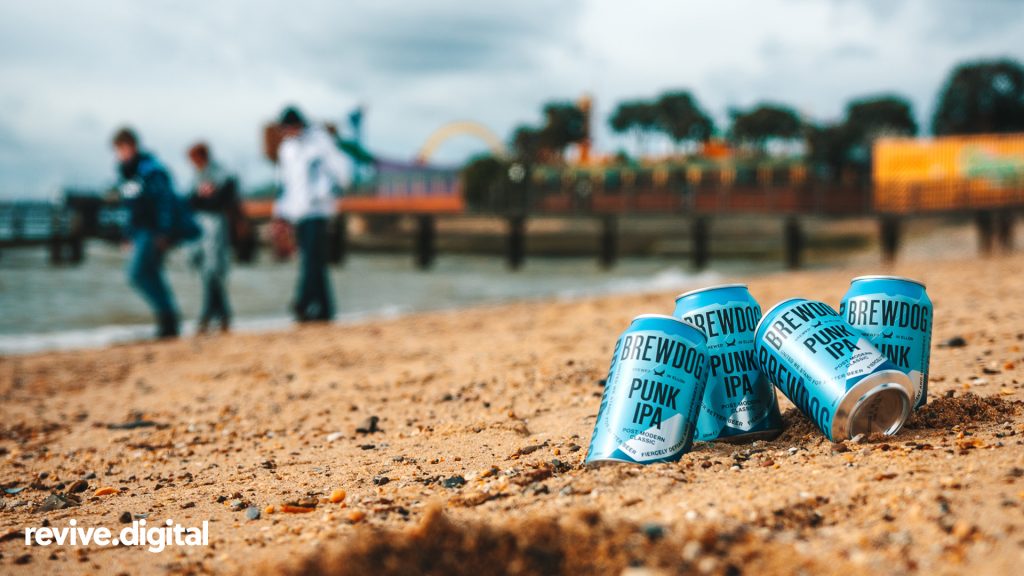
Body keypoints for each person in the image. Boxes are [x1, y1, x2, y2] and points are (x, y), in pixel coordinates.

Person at [273, 106, 351, 322]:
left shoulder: (320, 141)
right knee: (313, 261)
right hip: (297, 211)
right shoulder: (286, 149)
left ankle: (303, 304)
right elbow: (284, 183)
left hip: (318, 210)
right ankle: (324, 308)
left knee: (311, 259)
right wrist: (280, 212)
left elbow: (341, 170)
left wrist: (327, 193)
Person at [112, 127, 181, 338]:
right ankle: (167, 320)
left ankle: (167, 315)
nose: (119, 154)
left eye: (121, 149)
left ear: (130, 146)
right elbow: (130, 208)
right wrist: (127, 235)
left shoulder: (151, 170)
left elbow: (165, 202)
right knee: (151, 273)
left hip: (152, 231)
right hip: (139, 232)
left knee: (137, 273)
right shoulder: (126, 173)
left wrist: (164, 232)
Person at [186, 142, 238, 333]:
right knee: (209, 272)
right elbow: (192, 200)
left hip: (214, 227)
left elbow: (215, 198)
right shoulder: (198, 176)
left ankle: (210, 315)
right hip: (202, 227)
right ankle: (220, 315)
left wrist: (204, 200)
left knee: (212, 271)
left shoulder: (217, 174)